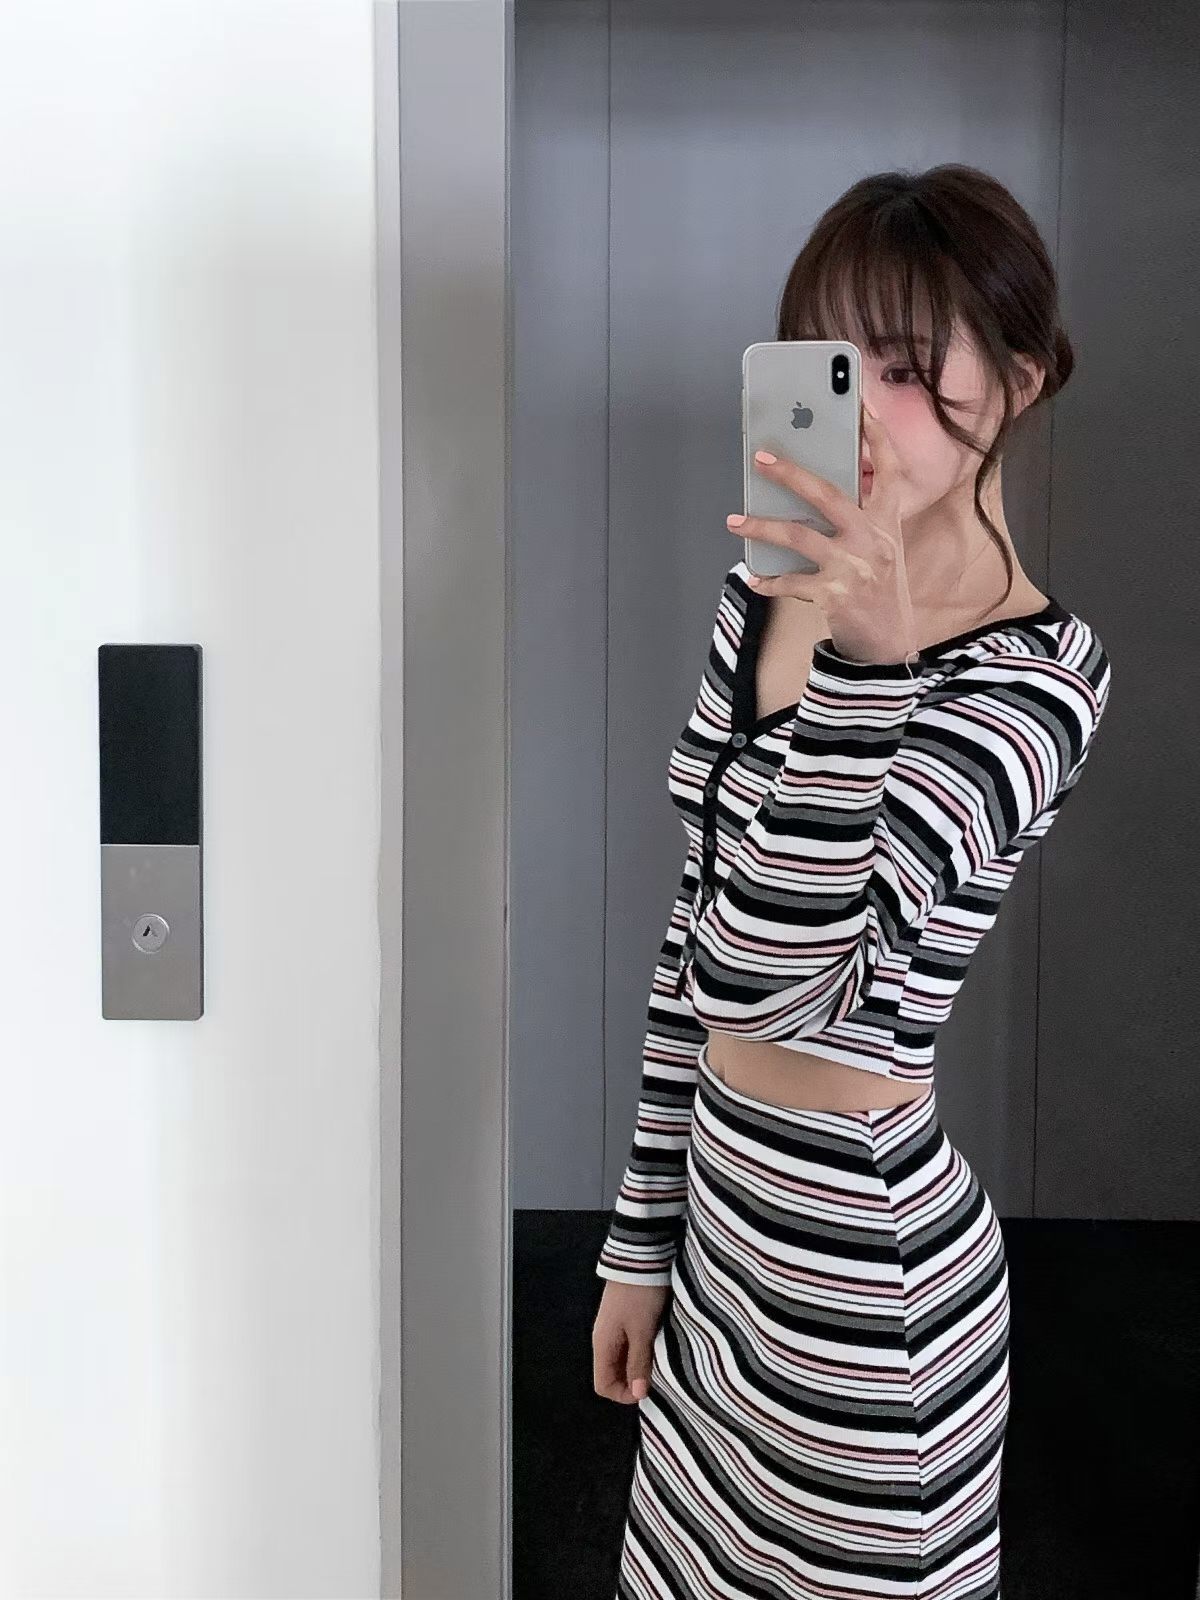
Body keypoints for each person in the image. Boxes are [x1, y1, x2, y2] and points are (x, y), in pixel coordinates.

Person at [592, 163, 1112, 1600]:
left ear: (1014, 383)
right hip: (723, 1241)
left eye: (903, 367)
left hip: (866, 1288)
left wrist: (869, 674)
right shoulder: (767, 592)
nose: (864, 411)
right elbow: (695, 935)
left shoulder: (1043, 679)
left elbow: (777, 981)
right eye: (832, 363)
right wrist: (640, 1242)